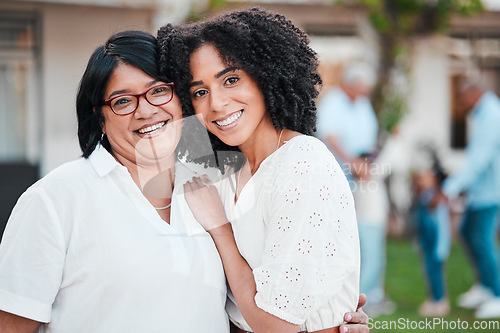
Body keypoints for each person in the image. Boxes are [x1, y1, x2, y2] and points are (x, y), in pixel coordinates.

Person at [0, 30, 368, 332]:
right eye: (122, 101)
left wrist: (330, 316)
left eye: (159, 90)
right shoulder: (56, 198)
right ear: (98, 117)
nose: (145, 110)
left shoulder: (218, 182)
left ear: (181, 101)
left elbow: (254, 301)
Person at [158, 8, 361, 333]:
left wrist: (220, 228)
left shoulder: (302, 162)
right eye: (199, 92)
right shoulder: (221, 171)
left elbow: (275, 325)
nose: (217, 103)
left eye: (231, 79)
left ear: (266, 74)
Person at [315, 62, 394, 316]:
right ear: (349, 84)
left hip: (363, 172)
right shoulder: (333, 103)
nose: (364, 94)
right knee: (339, 233)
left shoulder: (361, 104)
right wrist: (352, 162)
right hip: (340, 173)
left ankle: (368, 292)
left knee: (365, 229)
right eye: (361, 89)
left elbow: (370, 135)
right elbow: (330, 136)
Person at [432, 76, 500, 319]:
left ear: (474, 94)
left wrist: (450, 188)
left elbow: (478, 160)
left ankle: (497, 294)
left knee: (481, 239)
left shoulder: (491, 116)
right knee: (469, 233)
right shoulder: (483, 114)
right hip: (479, 192)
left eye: (462, 98)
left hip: (492, 192)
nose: (461, 103)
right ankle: (484, 286)